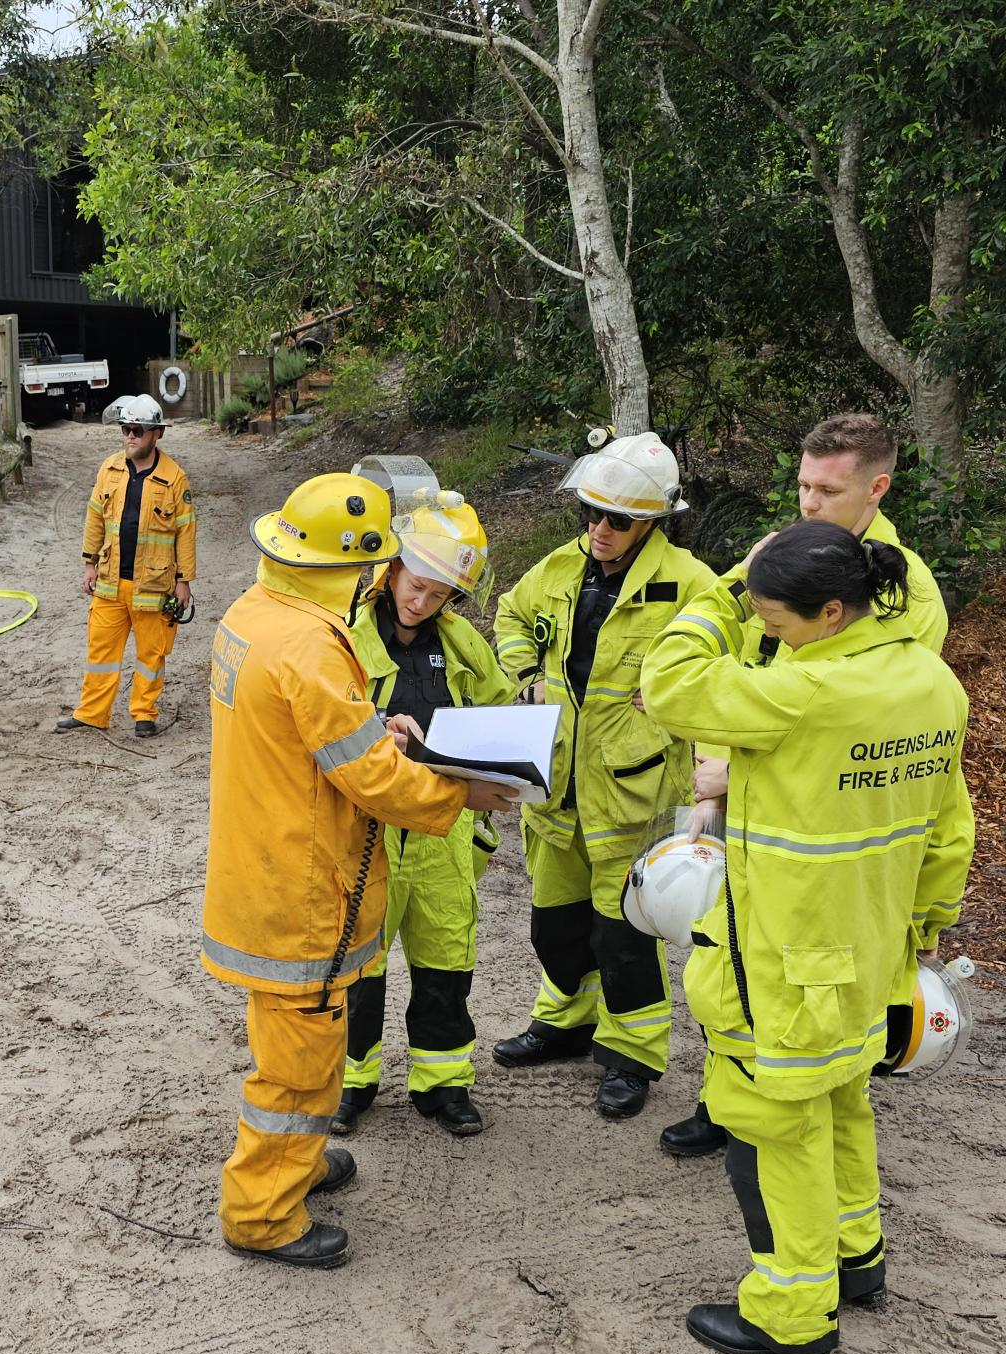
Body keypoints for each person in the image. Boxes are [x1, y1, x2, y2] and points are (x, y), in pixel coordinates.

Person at [640, 521, 974, 1354]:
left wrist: (725, 590)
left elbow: (670, 683)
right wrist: (923, 928)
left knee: (768, 1122)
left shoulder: (806, 691)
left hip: (783, 955)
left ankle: (792, 1314)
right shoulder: (930, 682)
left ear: (830, 612)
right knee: (841, 1098)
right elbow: (948, 832)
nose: (769, 639)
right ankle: (856, 1263)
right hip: (872, 949)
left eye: (777, 625)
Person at [205, 473, 519, 1269]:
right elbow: (373, 779)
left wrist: (376, 725)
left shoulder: (256, 612)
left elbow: (312, 735)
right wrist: (465, 792)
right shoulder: (312, 643)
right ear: (351, 565)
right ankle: (263, 1215)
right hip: (301, 894)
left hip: (265, 868)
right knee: (300, 1070)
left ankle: (299, 1166)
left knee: (300, 1047)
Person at [658, 412, 950, 1158]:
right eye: (802, 485)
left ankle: (787, 1139)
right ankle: (728, 1098)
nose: (809, 503)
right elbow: (760, 683)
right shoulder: (796, 560)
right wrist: (716, 782)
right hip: (757, 795)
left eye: (827, 489)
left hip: (821, 825)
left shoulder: (899, 592)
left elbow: (860, 723)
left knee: (803, 993)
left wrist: (745, 766)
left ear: (876, 488)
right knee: (733, 965)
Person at [487, 433, 716, 1120]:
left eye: (616, 519)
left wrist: (683, 699)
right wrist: (524, 672)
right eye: (589, 513)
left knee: (624, 937)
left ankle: (631, 1055)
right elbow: (510, 614)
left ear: (652, 521)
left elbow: (725, 671)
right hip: (555, 785)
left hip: (633, 791)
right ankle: (566, 1021)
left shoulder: (690, 585)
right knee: (553, 927)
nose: (599, 529)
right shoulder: (561, 567)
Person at [333, 496, 516, 1139]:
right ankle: (350, 1083)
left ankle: (443, 1084)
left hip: (443, 828)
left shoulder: (462, 646)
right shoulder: (344, 637)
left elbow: (496, 718)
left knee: (446, 960)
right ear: (392, 571)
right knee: (361, 964)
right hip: (367, 828)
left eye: (438, 595)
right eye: (415, 586)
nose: (421, 603)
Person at [55, 394, 195, 738]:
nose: (130, 436)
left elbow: (185, 531)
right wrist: (89, 564)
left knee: (152, 654)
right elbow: (94, 518)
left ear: (156, 434)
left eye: (137, 430)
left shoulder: (174, 479)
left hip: (154, 585)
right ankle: (92, 713)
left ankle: (144, 714)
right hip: (110, 581)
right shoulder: (109, 469)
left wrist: (184, 581)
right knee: (101, 650)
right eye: (125, 429)